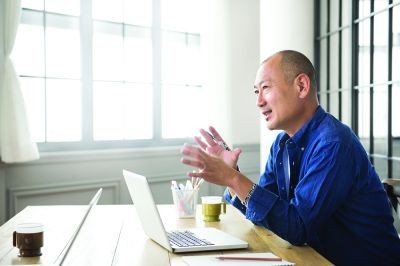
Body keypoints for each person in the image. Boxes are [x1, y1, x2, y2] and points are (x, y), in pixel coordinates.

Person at [180, 50, 400, 265]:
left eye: (265, 88)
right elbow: (266, 212)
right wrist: (233, 175)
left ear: (302, 86)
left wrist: (233, 179)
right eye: (256, 92)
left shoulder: (333, 143)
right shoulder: (281, 144)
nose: (259, 102)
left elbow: (297, 227)